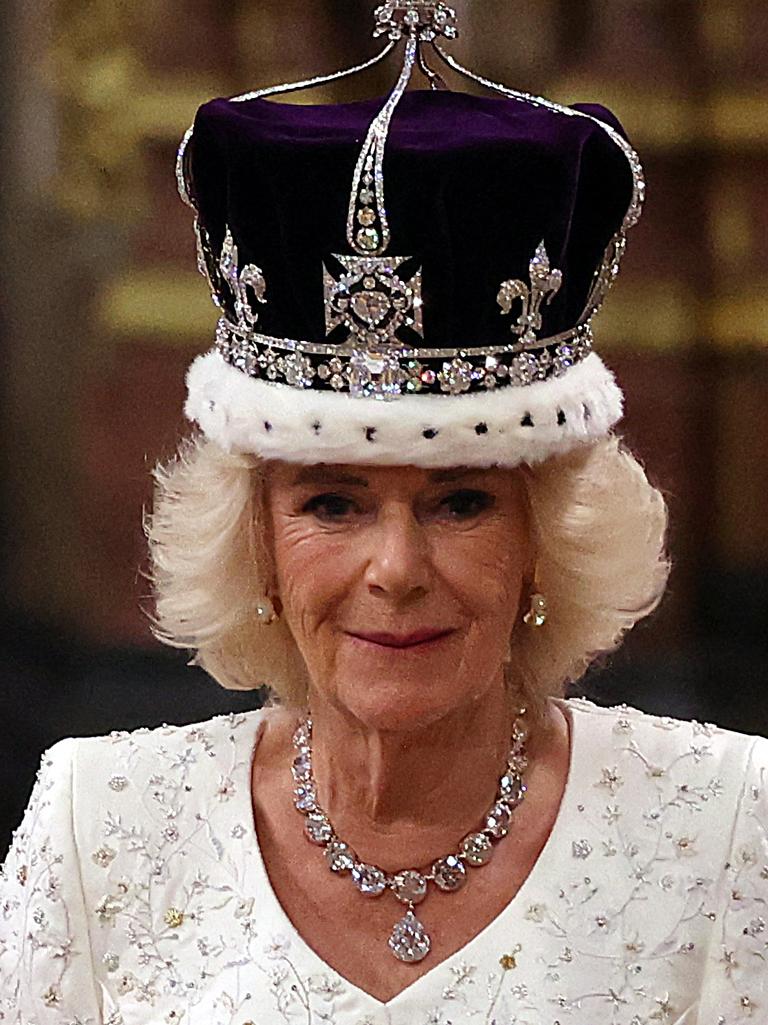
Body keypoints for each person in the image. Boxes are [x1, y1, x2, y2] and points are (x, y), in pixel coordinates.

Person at [2, 4, 766, 1023]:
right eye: (331, 501)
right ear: (256, 544)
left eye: (460, 501)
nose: (396, 566)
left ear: (546, 540)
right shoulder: (97, 829)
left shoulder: (722, 827)